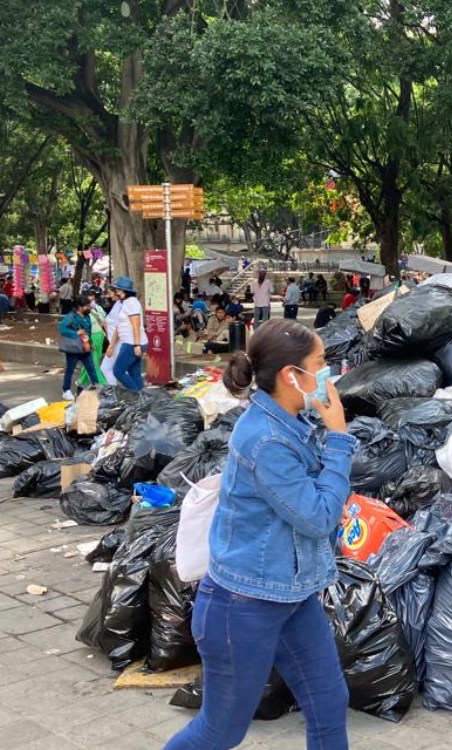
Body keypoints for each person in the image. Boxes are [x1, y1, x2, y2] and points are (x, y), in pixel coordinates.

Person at [162, 319, 355, 750]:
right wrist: (339, 437)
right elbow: (319, 516)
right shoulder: (267, 439)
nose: (328, 374)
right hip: (242, 606)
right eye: (321, 363)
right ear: (292, 375)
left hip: (292, 595)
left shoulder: (288, 423)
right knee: (222, 730)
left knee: (328, 701)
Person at [58, 296, 103, 399]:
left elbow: (88, 331)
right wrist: (75, 333)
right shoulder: (71, 316)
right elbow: (62, 328)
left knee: (91, 368)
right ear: (79, 307)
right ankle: (66, 390)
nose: (89, 308)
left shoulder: (87, 317)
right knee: (70, 370)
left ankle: (97, 387)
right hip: (73, 349)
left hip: (85, 348)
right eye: (86, 306)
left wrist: (90, 342)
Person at [110, 276, 147, 391]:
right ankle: (142, 400)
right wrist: (112, 345)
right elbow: (120, 326)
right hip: (131, 342)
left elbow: (135, 325)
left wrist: (136, 345)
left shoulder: (131, 303)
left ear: (124, 291)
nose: (116, 292)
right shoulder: (125, 303)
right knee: (134, 373)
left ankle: (136, 395)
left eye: (118, 290)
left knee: (118, 371)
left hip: (132, 343)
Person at [79, 288, 108, 388]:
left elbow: (104, 319)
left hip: (100, 336)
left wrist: (95, 309)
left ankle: (81, 382)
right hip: (90, 338)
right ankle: (102, 383)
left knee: (94, 359)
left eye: (93, 299)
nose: (92, 302)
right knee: (93, 362)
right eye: (89, 300)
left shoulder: (97, 307)